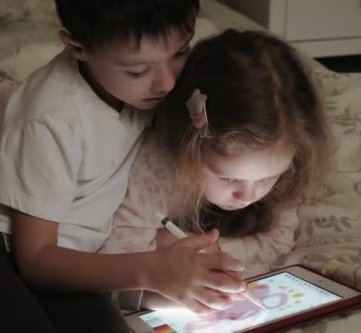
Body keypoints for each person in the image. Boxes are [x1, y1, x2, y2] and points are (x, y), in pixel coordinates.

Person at [0, 0, 248, 332]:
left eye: (180, 52)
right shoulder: (51, 118)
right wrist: (148, 270)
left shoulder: (151, 88)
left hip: (72, 261)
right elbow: (36, 260)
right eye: (137, 70)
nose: (166, 83)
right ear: (77, 46)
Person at [99, 28, 331, 312]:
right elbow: (112, 271)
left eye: (269, 177)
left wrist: (221, 258)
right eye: (227, 177)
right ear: (189, 145)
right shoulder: (153, 170)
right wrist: (163, 262)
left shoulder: (287, 167)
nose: (246, 194)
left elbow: (278, 238)